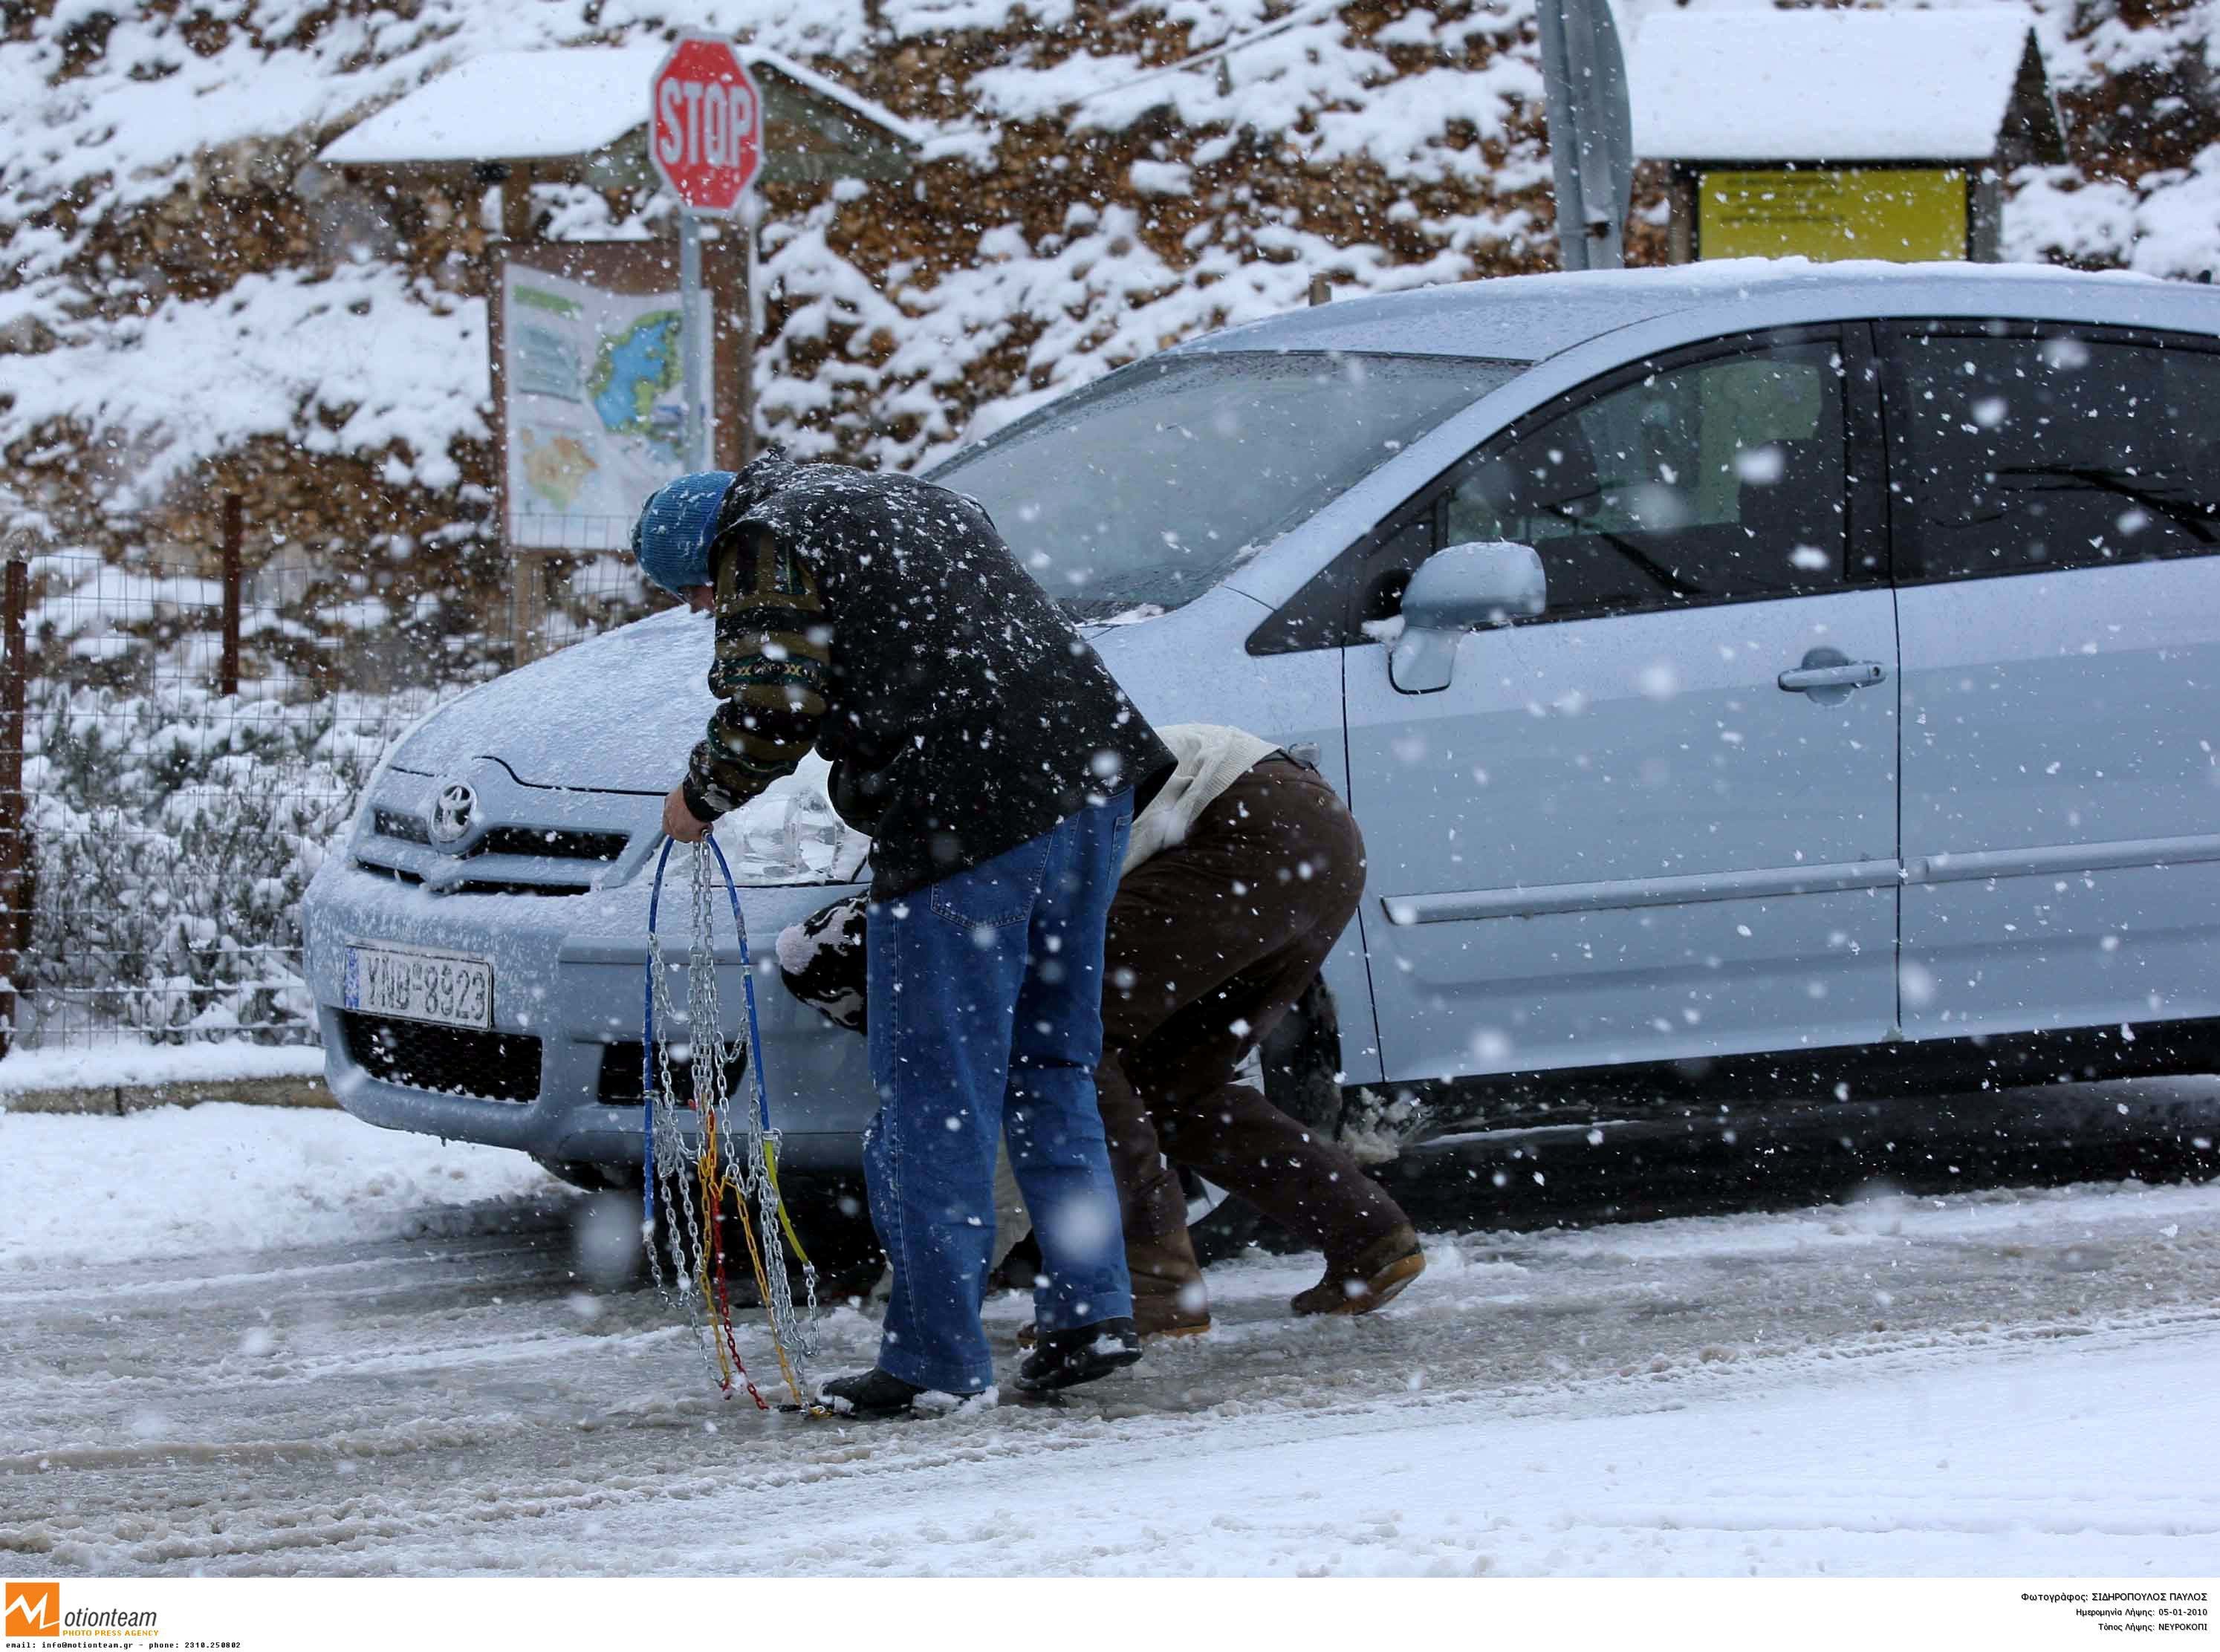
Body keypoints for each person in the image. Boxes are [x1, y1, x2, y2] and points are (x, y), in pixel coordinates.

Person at [629, 452, 1171, 1417]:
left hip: (968, 814)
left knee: (934, 1093)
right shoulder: (900, 496)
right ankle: (1093, 1308)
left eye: (701, 596)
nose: (709, 611)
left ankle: (936, 1361)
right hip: (1093, 776)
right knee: (1050, 1066)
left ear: (710, 560)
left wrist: (699, 797)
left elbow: (774, 702)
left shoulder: (767, 539)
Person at [779, 724, 1424, 1338]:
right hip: (1313, 837)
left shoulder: (997, 824)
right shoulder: (998, 780)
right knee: (1175, 1080)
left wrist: (937, 1285)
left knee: (1062, 1042)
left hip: (1240, 833)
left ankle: (1151, 1285)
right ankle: (1367, 1238)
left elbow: (1018, 1103)